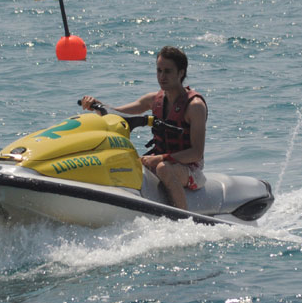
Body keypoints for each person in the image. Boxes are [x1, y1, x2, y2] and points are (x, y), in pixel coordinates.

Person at [80, 46, 207, 211]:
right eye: (159, 70)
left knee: (162, 168)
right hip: (162, 159)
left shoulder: (195, 106)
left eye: (168, 71)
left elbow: (196, 153)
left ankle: (183, 218)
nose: (162, 76)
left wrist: (162, 158)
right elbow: (118, 113)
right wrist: (97, 105)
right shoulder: (154, 99)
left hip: (190, 169)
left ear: (181, 73)